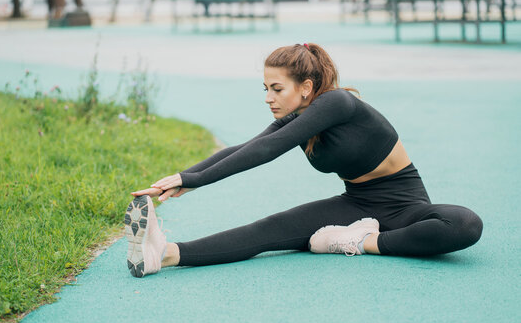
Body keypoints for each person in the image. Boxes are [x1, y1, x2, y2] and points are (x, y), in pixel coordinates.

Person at [125, 43, 483, 278]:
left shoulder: (338, 102)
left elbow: (268, 151)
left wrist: (196, 182)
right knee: (268, 230)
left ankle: (359, 242)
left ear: (307, 87)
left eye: (276, 88)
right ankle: (164, 255)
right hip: (356, 205)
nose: (268, 97)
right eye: (264, 88)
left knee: (464, 224)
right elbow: (249, 146)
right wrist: (184, 176)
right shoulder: (300, 119)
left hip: (405, 206)